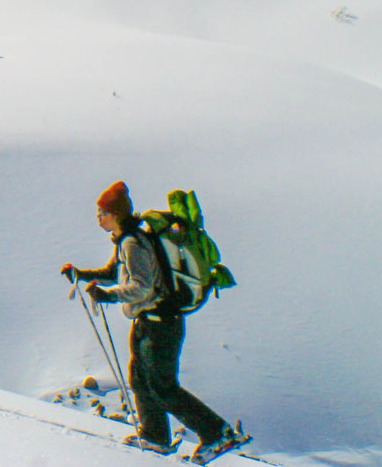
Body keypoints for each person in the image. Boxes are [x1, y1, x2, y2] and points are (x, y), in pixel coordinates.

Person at [63, 181, 248, 462]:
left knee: (162, 385)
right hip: (150, 322)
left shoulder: (132, 242)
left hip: (160, 323)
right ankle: (155, 436)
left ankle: (217, 433)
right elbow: (115, 273)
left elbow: (141, 286)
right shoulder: (127, 240)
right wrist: (82, 275)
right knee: (139, 379)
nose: (98, 217)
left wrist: (107, 296)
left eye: (102, 212)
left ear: (116, 214)